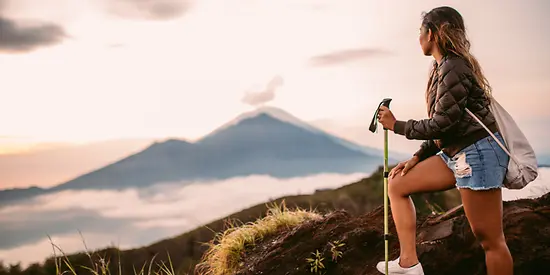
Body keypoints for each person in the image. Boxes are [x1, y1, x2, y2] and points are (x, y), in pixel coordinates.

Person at [375, 6, 513, 275]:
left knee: (489, 239)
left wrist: (396, 125)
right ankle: (409, 263)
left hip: (478, 153)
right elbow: (445, 128)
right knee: (397, 182)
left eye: (420, 32)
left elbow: (443, 123)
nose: (418, 38)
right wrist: (417, 158)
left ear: (432, 33)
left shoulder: (455, 66)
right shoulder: (440, 68)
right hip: (455, 153)